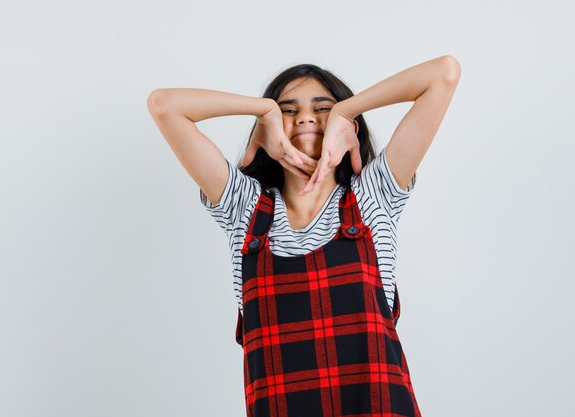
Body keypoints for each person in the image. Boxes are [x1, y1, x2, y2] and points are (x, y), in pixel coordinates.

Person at [146, 56, 461, 417]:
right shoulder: (242, 208)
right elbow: (164, 105)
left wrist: (348, 111)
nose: (306, 117)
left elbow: (444, 73)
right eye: (288, 110)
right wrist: (260, 110)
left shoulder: (374, 194)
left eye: (322, 108)